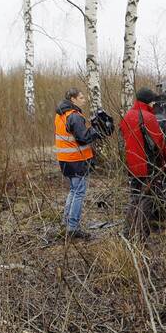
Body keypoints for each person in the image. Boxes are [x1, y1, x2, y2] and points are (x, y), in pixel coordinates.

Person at [119, 88, 166, 238]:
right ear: (149, 101)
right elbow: (158, 142)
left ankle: (127, 233)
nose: (154, 104)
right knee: (148, 199)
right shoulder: (147, 117)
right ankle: (142, 236)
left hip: (131, 165)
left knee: (135, 197)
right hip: (148, 164)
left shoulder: (127, 116)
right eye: (153, 101)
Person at [54, 87, 103, 240]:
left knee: (74, 191)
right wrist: (97, 130)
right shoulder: (74, 116)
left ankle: (67, 223)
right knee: (79, 192)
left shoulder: (61, 114)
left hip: (66, 160)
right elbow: (83, 137)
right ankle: (73, 228)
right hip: (76, 160)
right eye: (81, 97)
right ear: (73, 99)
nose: (84, 99)